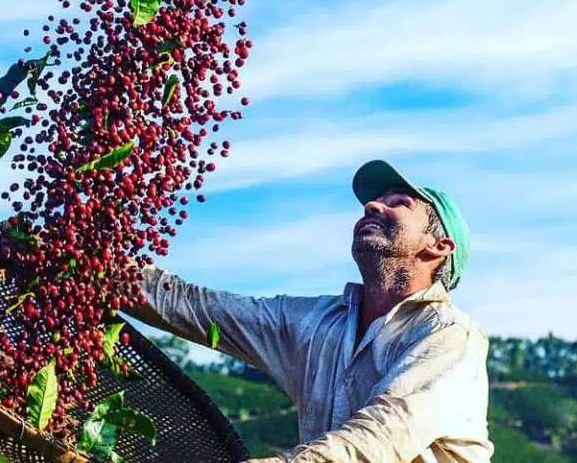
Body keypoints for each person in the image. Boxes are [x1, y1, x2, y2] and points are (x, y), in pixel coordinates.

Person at [123, 160, 494, 463]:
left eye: (399, 202)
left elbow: (383, 434)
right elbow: (199, 308)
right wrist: (98, 269)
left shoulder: (448, 336)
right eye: (375, 201)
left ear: (438, 246)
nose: (373, 206)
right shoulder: (317, 324)